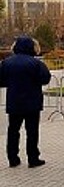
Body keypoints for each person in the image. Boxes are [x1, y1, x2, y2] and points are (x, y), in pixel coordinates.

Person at [0, 35, 51, 168]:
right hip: (32, 102)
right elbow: (45, 79)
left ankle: (13, 158)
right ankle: (33, 158)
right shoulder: (36, 63)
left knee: (13, 131)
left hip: (14, 101)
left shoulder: (7, 62)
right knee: (32, 131)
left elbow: (1, 80)